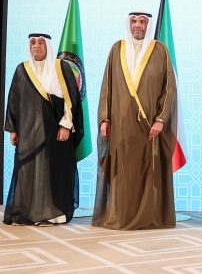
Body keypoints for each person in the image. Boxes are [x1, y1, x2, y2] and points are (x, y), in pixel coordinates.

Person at [92, 12, 177, 230]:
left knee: (147, 171)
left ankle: (147, 217)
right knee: (122, 171)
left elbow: (169, 88)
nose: (137, 25)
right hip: (120, 125)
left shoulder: (160, 50)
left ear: (148, 25)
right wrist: (104, 118)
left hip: (149, 127)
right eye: (134, 21)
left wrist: (161, 120)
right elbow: (106, 86)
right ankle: (121, 216)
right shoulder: (117, 49)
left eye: (142, 21)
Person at [4, 33, 84, 226]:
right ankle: (27, 212)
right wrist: (13, 129)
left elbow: (72, 99)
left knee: (54, 171)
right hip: (28, 132)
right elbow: (14, 100)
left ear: (48, 45)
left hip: (55, 132)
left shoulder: (61, 67)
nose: (37, 46)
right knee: (28, 170)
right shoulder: (22, 69)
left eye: (41, 42)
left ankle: (54, 215)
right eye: (33, 42)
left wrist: (66, 126)